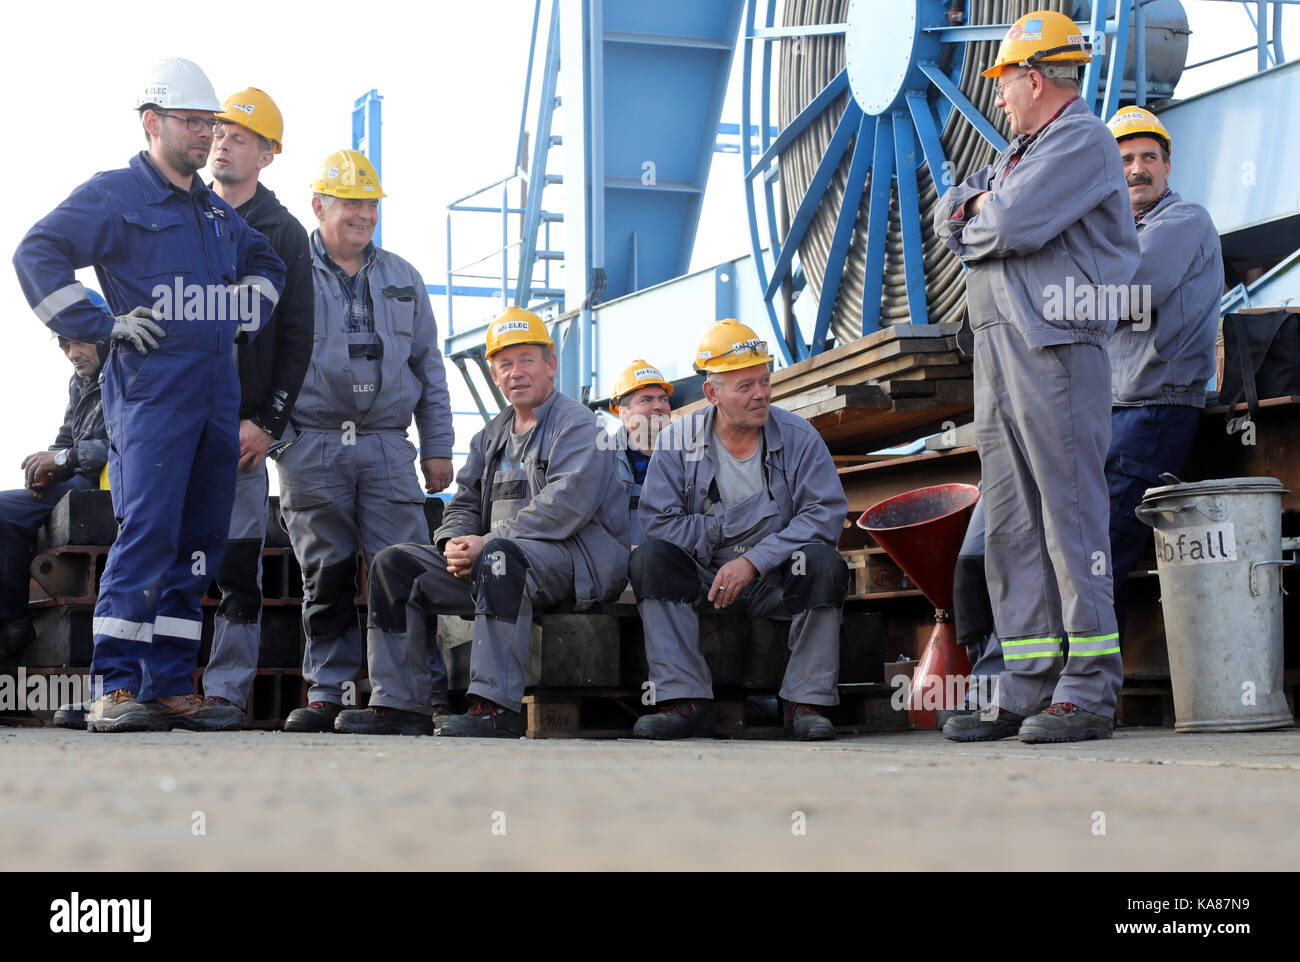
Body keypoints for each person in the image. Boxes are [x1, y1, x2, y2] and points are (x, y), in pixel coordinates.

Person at [13, 57, 285, 733]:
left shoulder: (215, 215)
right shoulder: (115, 197)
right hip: (151, 398)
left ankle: (167, 685)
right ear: (153, 122)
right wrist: (98, 324)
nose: (205, 136)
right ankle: (116, 685)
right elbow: (35, 252)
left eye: (209, 124)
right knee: (149, 535)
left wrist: (246, 305)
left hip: (216, 400)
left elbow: (268, 261)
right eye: (192, 123)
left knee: (198, 543)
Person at [934, 11, 1140, 744]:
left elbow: (1008, 227)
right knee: (1017, 526)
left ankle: (1086, 689)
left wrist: (978, 214)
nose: (997, 100)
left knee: (1071, 516)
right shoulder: (1018, 156)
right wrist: (973, 209)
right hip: (996, 352)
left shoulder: (1081, 139)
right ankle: (1021, 683)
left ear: (1033, 77)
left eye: (1004, 84)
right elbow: (951, 216)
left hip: (1054, 349)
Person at [334, 307, 629, 737]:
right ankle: (400, 704)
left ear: (551, 365)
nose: (516, 373)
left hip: (575, 563)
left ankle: (494, 707)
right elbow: (464, 500)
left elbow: (565, 506)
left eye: (527, 360)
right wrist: (452, 541)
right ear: (494, 376)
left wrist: (488, 541)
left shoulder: (579, 426)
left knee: (497, 558)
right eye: (505, 364)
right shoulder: (490, 437)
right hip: (499, 556)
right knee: (393, 566)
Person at [277, 149, 454, 733]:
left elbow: (429, 365)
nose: (363, 214)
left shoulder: (404, 277)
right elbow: (256, 359)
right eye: (351, 202)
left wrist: (437, 446)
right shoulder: (284, 269)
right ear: (318, 206)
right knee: (324, 574)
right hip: (313, 444)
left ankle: (404, 696)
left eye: (370, 204)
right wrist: (280, 439)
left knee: (401, 570)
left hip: (385, 445)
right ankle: (328, 691)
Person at [629, 319, 849, 741]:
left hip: (775, 581)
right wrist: (727, 537)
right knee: (650, 560)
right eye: (745, 386)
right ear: (712, 393)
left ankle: (805, 703)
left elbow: (824, 514)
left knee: (821, 563)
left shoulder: (800, 438)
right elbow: (657, 521)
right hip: (705, 579)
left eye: (764, 381)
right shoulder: (678, 441)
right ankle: (685, 701)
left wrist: (753, 559)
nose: (761, 394)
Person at [200, 88, 313, 721]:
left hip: (241, 430)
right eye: (217, 131)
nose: (222, 142)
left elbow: (297, 338)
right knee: (163, 552)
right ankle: (152, 687)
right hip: (177, 421)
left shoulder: (283, 233)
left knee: (238, 563)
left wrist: (266, 423)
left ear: (268, 155)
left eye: (239, 137)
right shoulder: (182, 212)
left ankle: (224, 693)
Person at [0, 322, 110, 660]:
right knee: (5, 510)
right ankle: (14, 622)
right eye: (65, 346)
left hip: (105, 483)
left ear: (104, 338)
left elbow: (124, 446)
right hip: (76, 477)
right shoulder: (79, 382)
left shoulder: (127, 375)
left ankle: (12, 623)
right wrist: (45, 469)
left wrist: (62, 459)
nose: (72, 354)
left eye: (80, 343)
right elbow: (66, 439)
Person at [608, 360, 673, 545]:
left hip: (677, 563)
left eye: (664, 399)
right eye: (647, 400)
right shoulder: (602, 458)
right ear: (624, 412)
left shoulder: (690, 454)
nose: (659, 406)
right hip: (616, 565)